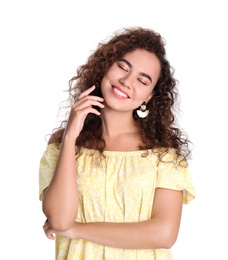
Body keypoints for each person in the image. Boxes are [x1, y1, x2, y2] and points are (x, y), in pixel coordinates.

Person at [39, 27, 195, 260]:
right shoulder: (62, 145)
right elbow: (60, 220)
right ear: (106, 67)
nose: (126, 81)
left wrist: (76, 230)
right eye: (122, 67)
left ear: (149, 97)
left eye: (142, 80)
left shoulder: (163, 154)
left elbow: (164, 234)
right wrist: (71, 136)